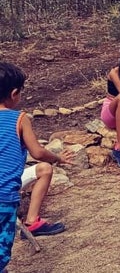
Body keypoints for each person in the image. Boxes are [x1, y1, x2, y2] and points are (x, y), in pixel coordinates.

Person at [0, 62, 73, 271]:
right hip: (4, 197)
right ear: (14, 93)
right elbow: (38, 152)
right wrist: (57, 158)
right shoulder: (19, 119)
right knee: (2, 247)